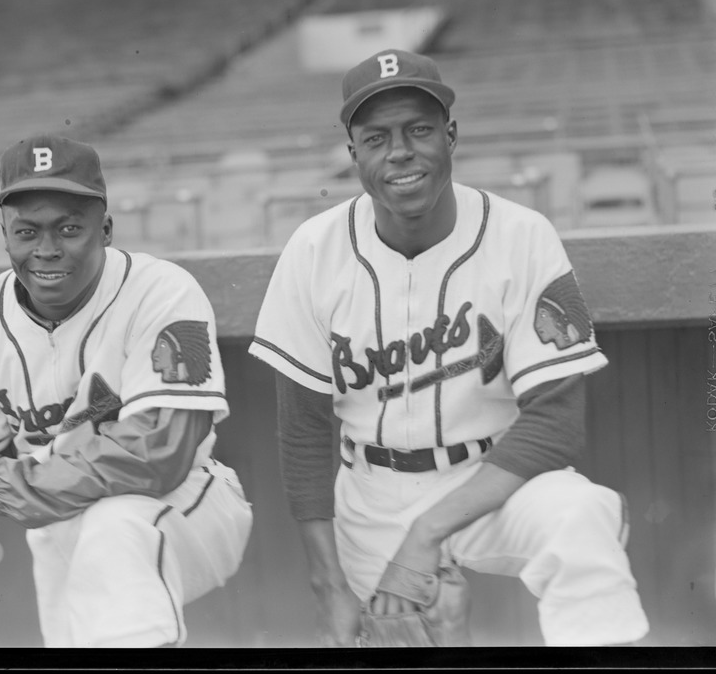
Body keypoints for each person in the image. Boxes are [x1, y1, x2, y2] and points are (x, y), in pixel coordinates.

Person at [248, 49, 649, 647]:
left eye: (419, 130)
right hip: (372, 491)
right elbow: (303, 433)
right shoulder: (313, 250)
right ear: (354, 153)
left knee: (578, 515)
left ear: (451, 135)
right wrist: (328, 586)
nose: (400, 151)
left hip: (496, 479)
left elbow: (556, 425)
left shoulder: (522, 234)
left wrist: (427, 534)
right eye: (376, 137)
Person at [0, 133, 253, 648]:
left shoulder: (163, 291)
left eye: (69, 228)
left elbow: (162, 453)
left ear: (106, 229)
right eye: (26, 232)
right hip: (57, 521)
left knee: (116, 525)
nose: (47, 250)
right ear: (4, 235)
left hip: (187, 503)